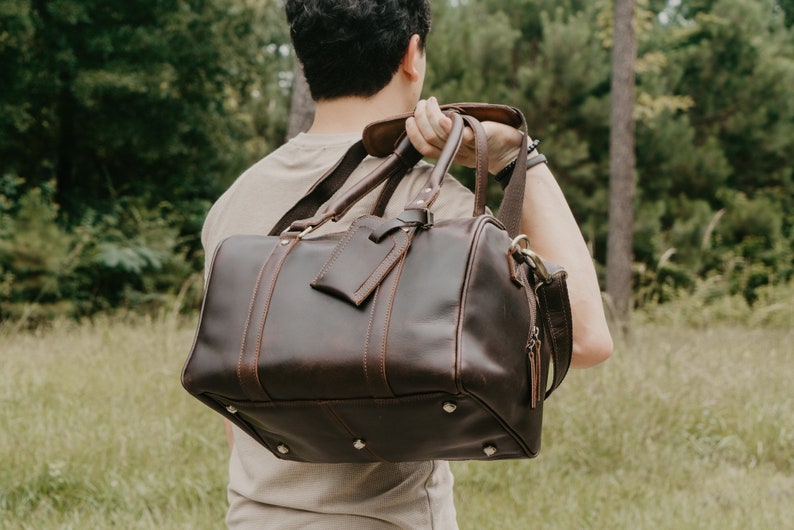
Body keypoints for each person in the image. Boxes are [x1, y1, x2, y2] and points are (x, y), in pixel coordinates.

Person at [200, 1, 613, 528]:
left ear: (306, 58)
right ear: (412, 55)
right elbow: (584, 340)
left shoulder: (234, 205)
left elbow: (240, 399)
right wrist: (518, 157)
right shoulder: (432, 201)